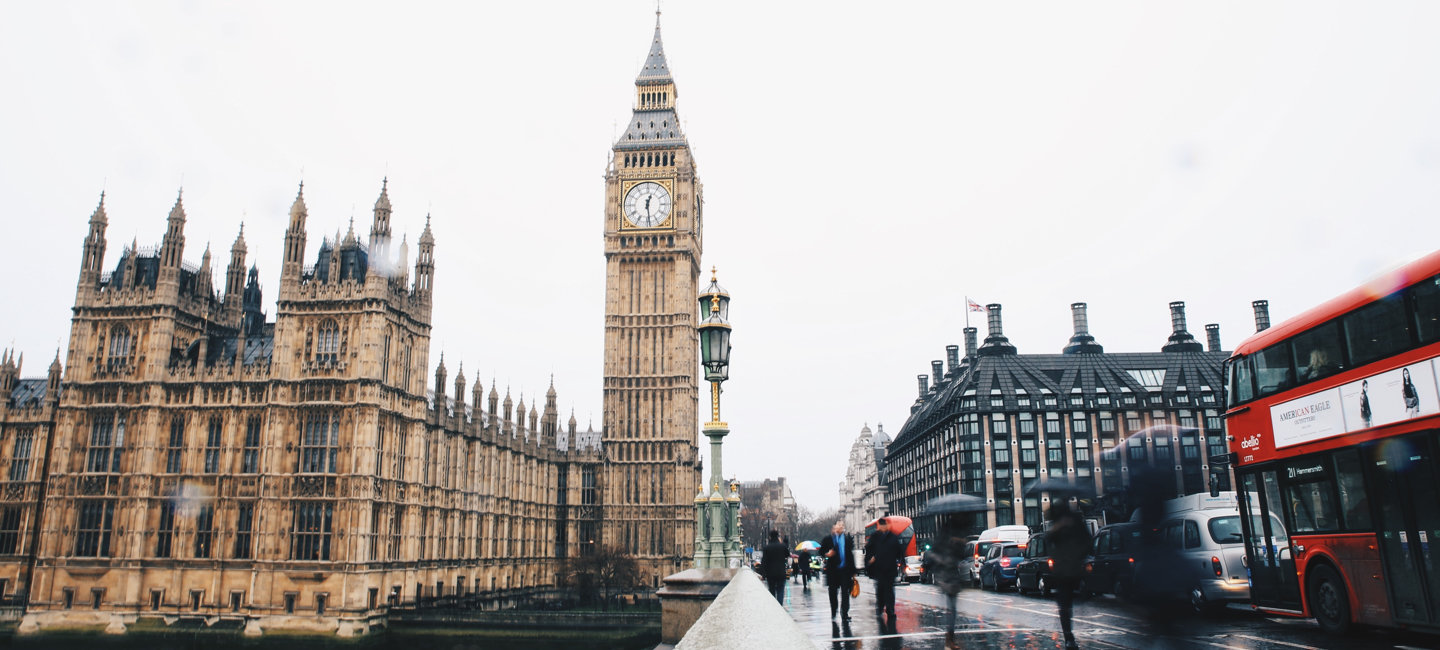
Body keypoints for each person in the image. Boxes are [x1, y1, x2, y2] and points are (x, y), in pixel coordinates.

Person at [1046, 502, 1093, 650]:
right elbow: (1049, 540)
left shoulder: (1076, 519)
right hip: (1062, 569)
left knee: (1072, 601)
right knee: (1064, 604)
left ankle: (1071, 636)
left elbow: (1087, 540)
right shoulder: (1056, 519)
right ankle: (1069, 638)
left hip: (1075, 566)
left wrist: (1080, 554)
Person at [927, 519, 969, 648]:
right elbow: (934, 555)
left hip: (952, 576)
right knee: (951, 608)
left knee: (952, 608)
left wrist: (961, 543)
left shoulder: (952, 541)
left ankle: (950, 637)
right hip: (945, 577)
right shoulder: (942, 542)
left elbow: (962, 556)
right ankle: (950, 638)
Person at [865, 517, 903, 622]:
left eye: (886, 525)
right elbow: (868, 550)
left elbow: (899, 551)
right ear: (879, 526)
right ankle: (880, 607)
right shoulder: (874, 537)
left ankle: (890, 610)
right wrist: (869, 561)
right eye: (883, 525)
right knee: (881, 590)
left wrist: (899, 561)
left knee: (890, 591)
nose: (884, 527)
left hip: (890, 569)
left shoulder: (893, 537)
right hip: (879, 569)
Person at [816, 521, 856, 620]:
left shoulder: (847, 539)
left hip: (845, 570)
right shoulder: (828, 539)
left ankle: (845, 613)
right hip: (833, 570)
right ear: (834, 527)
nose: (841, 527)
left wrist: (853, 570)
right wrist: (827, 554)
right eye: (839, 525)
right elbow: (821, 551)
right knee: (833, 592)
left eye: (842, 525)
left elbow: (850, 555)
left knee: (845, 593)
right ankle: (834, 611)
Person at [760, 529, 789, 603]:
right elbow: (787, 554)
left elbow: (764, 561)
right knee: (780, 590)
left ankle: (774, 606)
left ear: (770, 537)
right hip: (781, 572)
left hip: (770, 573)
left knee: (772, 590)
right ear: (778, 536)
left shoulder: (767, 548)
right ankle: (780, 605)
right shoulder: (782, 546)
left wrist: (763, 574)